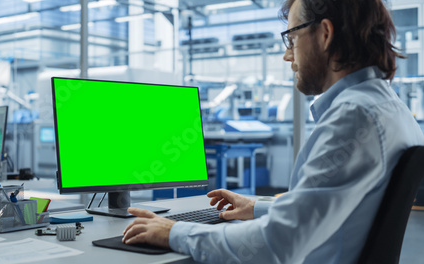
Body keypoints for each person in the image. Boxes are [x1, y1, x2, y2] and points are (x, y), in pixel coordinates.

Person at [122, 0, 424, 263]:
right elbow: (327, 207)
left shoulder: (354, 117)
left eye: (291, 39)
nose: (287, 56)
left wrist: (174, 231)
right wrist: (258, 207)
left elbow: (275, 246)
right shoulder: (388, 108)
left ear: (325, 34)